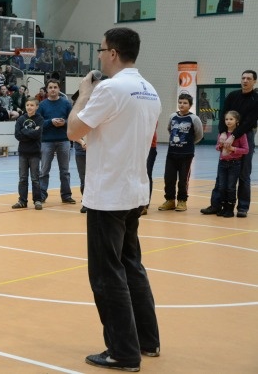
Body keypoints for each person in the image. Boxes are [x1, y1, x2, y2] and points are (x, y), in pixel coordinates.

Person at [67, 27, 161, 372]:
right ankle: (147, 340)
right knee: (132, 267)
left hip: (109, 195)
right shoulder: (150, 91)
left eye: (101, 49)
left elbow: (74, 129)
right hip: (135, 190)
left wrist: (83, 94)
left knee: (107, 276)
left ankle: (123, 351)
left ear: (113, 52)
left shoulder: (109, 88)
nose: (100, 56)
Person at [201, 70, 257, 218]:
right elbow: (223, 115)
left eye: (249, 78)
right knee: (222, 172)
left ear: (254, 82)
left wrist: (234, 136)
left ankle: (242, 207)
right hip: (227, 135)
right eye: (243, 78)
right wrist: (222, 134)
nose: (245, 80)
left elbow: (250, 121)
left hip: (245, 135)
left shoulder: (256, 99)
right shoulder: (232, 95)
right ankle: (216, 204)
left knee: (244, 174)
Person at [158, 93, 203, 212]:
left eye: (185, 103)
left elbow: (199, 135)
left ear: (190, 105)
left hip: (186, 154)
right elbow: (170, 129)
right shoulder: (173, 116)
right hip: (172, 153)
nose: (182, 105)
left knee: (183, 179)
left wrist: (188, 143)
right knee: (169, 178)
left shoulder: (194, 118)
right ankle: (170, 200)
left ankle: (182, 201)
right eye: (180, 102)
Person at [37, 79, 75, 204]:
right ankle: (42, 195)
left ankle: (66, 195)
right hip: (46, 142)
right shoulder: (42, 105)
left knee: (65, 171)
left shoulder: (66, 103)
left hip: (64, 141)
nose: (53, 89)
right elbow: (38, 123)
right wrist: (50, 122)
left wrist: (64, 123)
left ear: (59, 89)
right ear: (47, 90)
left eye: (55, 87)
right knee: (44, 171)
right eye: (50, 87)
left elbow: (73, 121)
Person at [214, 111, 250, 217]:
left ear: (237, 121)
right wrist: (220, 146)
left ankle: (230, 209)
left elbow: (246, 150)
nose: (228, 121)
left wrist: (233, 149)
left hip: (234, 164)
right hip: (222, 163)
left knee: (230, 187)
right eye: (226, 119)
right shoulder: (222, 134)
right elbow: (217, 147)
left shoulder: (241, 135)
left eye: (231, 119)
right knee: (221, 186)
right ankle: (223, 206)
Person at [12, 97, 43, 210]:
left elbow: (37, 135)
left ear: (36, 107)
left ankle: (38, 200)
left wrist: (25, 131)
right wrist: (31, 132)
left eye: (32, 105)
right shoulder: (20, 119)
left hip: (35, 152)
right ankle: (22, 201)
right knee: (23, 178)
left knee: (35, 178)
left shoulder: (40, 119)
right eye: (27, 105)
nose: (29, 107)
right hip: (23, 153)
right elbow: (18, 135)